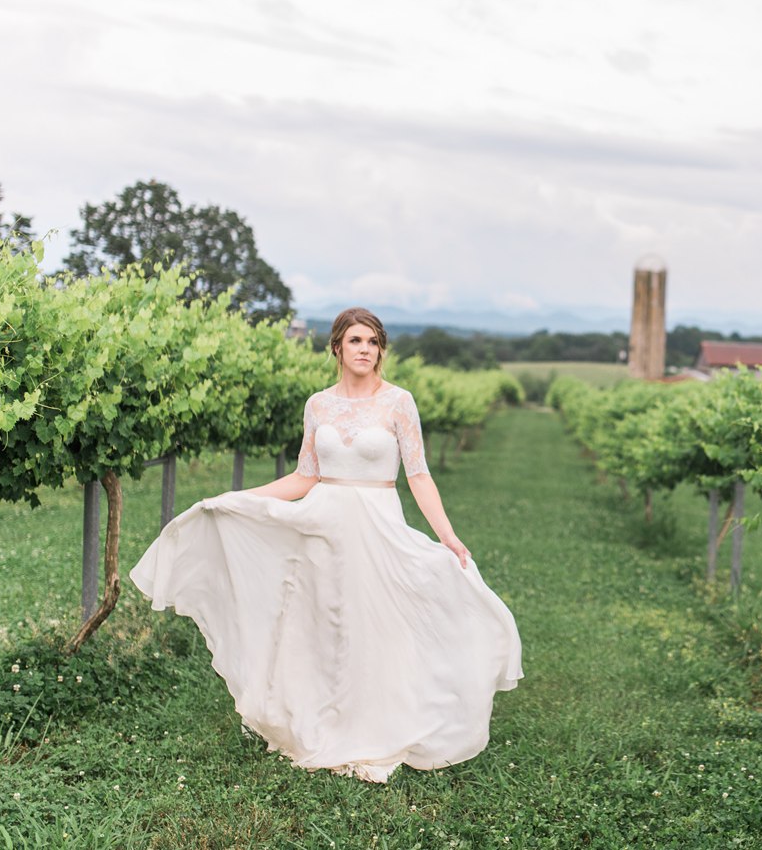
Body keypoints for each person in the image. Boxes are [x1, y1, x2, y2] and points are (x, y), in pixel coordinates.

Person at [130, 307, 523, 783]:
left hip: (377, 525)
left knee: (377, 623)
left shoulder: (399, 402)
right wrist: (237, 498)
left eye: (374, 342)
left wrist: (448, 536)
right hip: (323, 524)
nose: (365, 350)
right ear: (336, 347)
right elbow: (304, 476)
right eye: (356, 341)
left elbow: (418, 475)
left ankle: (382, 722)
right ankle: (324, 720)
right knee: (324, 624)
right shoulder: (318, 405)